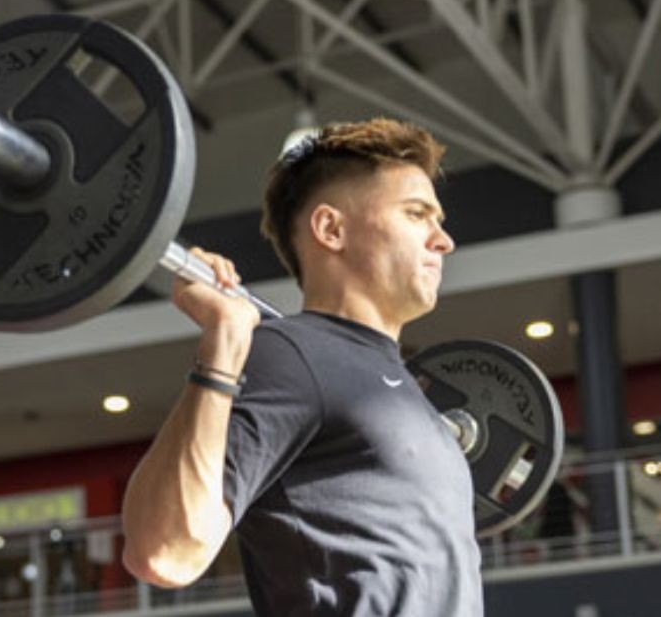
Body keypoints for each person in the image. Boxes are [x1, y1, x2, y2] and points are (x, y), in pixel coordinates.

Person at [121, 118, 482, 616]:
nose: (443, 241)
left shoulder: (405, 389)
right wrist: (225, 340)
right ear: (331, 229)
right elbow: (165, 550)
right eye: (416, 214)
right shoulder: (289, 355)